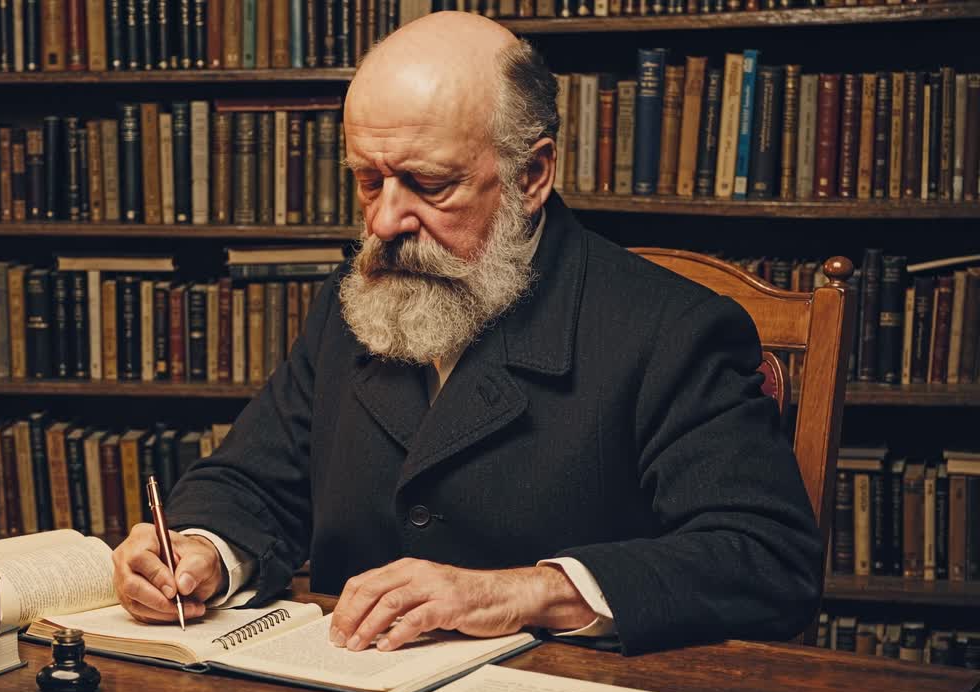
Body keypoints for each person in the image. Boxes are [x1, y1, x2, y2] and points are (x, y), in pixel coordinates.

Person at [112, 11, 823, 656]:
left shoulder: (673, 330)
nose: (385, 222)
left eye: (428, 183)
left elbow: (764, 559)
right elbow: (251, 483)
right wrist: (200, 552)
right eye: (369, 180)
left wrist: (520, 592)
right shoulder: (352, 306)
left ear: (533, 174)